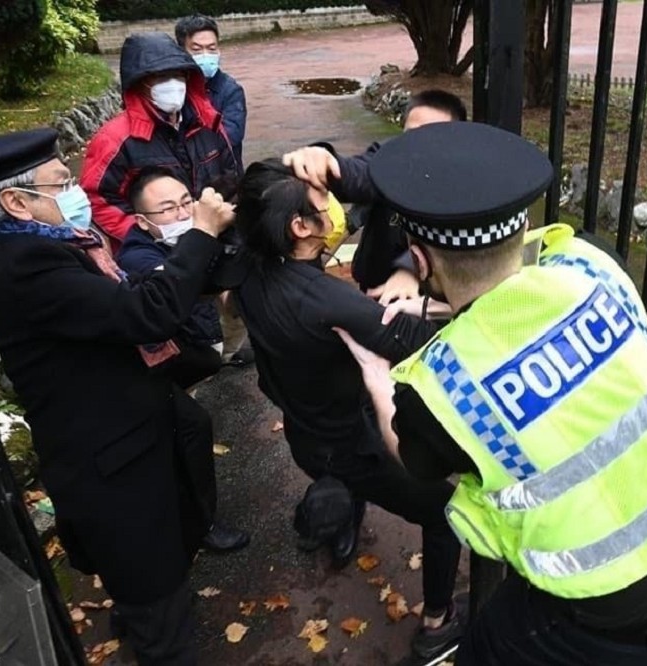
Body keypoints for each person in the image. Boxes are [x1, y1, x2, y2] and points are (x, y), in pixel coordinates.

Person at [336, 122, 647, 665]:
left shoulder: (439, 390)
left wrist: (374, 373)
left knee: (483, 651)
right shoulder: (590, 263)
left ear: (421, 260)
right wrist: (440, 307)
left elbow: (414, 460)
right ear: (523, 223)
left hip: (612, 610)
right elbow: (520, 299)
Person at [0, 127, 238, 665]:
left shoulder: (58, 246)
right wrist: (199, 234)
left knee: (155, 577)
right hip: (112, 469)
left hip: (133, 436)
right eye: (60, 183)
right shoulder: (29, 268)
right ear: (17, 201)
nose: (75, 192)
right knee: (161, 614)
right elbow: (143, 314)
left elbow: (129, 297)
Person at [233, 159, 465, 660]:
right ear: (299, 227)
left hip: (305, 428)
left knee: (336, 482)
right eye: (323, 202)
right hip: (351, 442)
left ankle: (336, 518)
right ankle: (437, 623)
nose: (335, 209)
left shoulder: (249, 269)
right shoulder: (327, 301)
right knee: (444, 515)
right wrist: (455, 302)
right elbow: (424, 341)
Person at [282, 89, 467, 304]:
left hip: (426, 297)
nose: (415, 148)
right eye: (410, 136)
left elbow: (458, 239)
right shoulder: (391, 158)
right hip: (372, 283)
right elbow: (361, 173)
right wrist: (324, 162)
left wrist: (410, 269)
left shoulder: (464, 184)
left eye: (430, 138)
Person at [81, 31, 241, 253]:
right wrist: (148, 234)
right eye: (161, 77)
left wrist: (221, 220)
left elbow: (230, 177)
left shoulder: (208, 122)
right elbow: (97, 199)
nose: (173, 84)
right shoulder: (115, 138)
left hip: (214, 238)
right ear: (140, 83)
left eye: (178, 75)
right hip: (158, 250)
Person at [117, 167, 224, 388]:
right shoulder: (136, 259)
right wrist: (206, 234)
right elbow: (181, 285)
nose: (184, 214)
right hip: (181, 347)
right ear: (143, 221)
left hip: (209, 327)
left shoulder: (192, 231)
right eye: (168, 209)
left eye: (186, 202)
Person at [175, 14, 247, 169]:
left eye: (211, 48)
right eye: (197, 49)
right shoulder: (174, 90)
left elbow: (230, 137)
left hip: (225, 177)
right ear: (181, 52)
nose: (206, 55)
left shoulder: (230, 91)